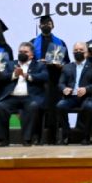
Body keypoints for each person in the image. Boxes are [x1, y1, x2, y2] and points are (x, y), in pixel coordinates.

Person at [0, 42, 49, 146]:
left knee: (33, 106)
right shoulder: (9, 64)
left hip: (30, 97)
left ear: (31, 54)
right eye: (20, 52)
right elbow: (0, 77)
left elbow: (44, 76)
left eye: (25, 52)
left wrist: (27, 76)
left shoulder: (39, 65)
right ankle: (2, 139)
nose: (22, 53)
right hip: (11, 97)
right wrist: (14, 74)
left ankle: (27, 139)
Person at [30, 14, 69, 144]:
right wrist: (38, 62)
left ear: (53, 25)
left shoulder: (60, 42)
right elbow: (27, 62)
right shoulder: (32, 43)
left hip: (55, 80)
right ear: (39, 26)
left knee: (53, 110)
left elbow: (67, 64)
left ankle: (52, 138)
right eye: (43, 23)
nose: (46, 25)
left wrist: (59, 65)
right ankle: (36, 137)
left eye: (49, 23)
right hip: (38, 81)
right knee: (37, 108)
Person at [56, 42, 92, 145]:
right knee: (60, 106)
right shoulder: (67, 67)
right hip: (71, 97)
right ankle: (66, 134)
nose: (78, 52)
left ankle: (86, 136)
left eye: (81, 50)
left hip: (88, 97)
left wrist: (86, 89)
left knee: (89, 107)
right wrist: (64, 89)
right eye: (76, 50)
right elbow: (61, 83)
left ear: (87, 53)